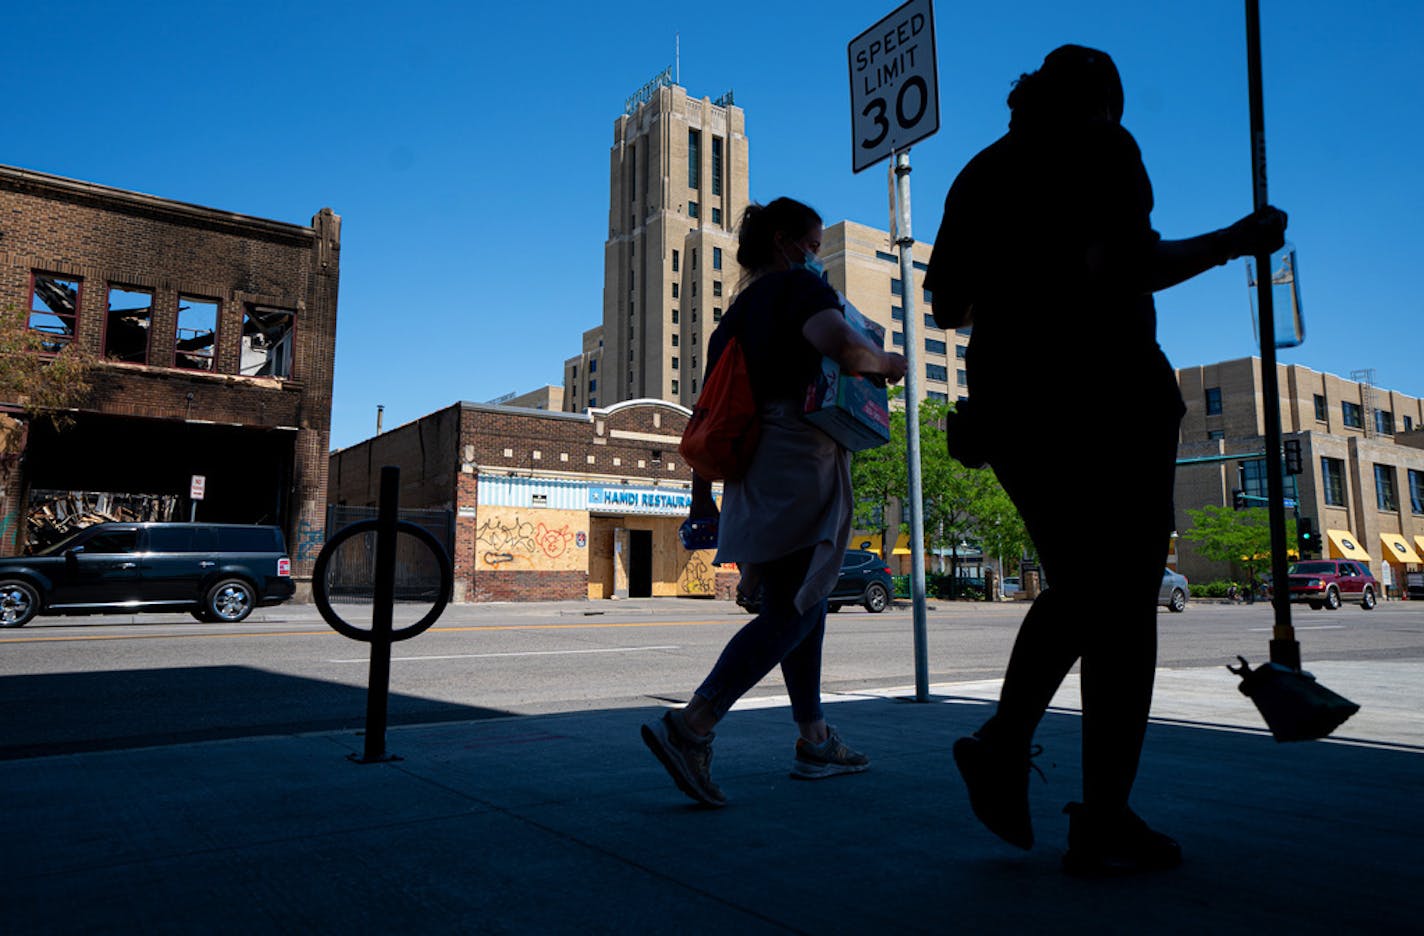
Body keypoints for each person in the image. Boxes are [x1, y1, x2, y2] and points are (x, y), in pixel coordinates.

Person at [923, 45, 1286, 873]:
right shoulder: (1101, 146)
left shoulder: (977, 173)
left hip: (1012, 407)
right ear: (1100, 101)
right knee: (1117, 608)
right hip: (1105, 398)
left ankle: (1015, 752)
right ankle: (1089, 806)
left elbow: (947, 303)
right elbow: (1119, 263)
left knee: (1088, 593)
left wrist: (1019, 280)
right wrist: (1238, 239)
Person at [641, 197, 908, 807]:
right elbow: (844, 348)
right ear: (786, 243)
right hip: (799, 453)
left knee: (800, 601)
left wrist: (702, 499)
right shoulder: (797, 290)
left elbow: (710, 413)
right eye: (813, 246)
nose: (817, 257)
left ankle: (813, 738)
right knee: (798, 604)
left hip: (752, 463)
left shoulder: (731, 318)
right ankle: (693, 725)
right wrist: (889, 362)